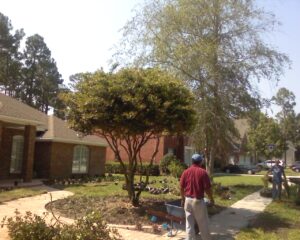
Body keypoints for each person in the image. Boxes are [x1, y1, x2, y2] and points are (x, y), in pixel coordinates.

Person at [180, 153, 214, 240]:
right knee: (203, 224)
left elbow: (181, 187)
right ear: (200, 162)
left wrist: (183, 199)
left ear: (192, 161)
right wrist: (211, 199)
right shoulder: (203, 172)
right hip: (198, 201)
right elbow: (207, 189)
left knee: (189, 225)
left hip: (187, 200)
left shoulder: (185, 172)